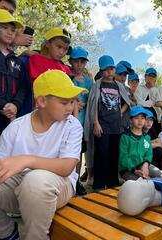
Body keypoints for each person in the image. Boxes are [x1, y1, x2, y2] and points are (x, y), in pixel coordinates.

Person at [0, 70, 86, 240]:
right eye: (64, 102)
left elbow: (67, 167)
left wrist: (27, 160)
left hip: (58, 187)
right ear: (42, 101)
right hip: (20, 189)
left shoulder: (72, 125)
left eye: (73, 101)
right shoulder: (15, 128)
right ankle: (7, 233)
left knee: (35, 181)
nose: (70, 107)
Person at [84, 55, 131, 189]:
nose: (109, 72)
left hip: (116, 126)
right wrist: (95, 123)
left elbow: (127, 102)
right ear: (101, 70)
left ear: (114, 69)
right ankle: (99, 184)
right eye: (106, 69)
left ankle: (112, 183)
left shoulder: (119, 86)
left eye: (111, 69)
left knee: (113, 154)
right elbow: (93, 106)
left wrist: (120, 112)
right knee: (101, 154)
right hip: (102, 125)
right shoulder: (97, 85)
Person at [0, 9, 27, 139]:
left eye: (13, 29)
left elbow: (24, 87)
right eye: (4, 27)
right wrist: (2, 105)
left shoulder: (18, 61)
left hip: (10, 117)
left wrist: (15, 104)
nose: (10, 32)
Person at [68, 46, 93, 194]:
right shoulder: (66, 76)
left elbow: (92, 98)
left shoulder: (88, 81)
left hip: (84, 121)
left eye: (82, 62)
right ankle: (68, 179)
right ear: (71, 61)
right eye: (77, 61)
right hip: (69, 118)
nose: (79, 65)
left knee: (79, 151)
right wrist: (74, 101)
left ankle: (76, 180)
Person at [119, 105, 162, 181]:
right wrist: (134, 170)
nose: (140, 121)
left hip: (142, 165)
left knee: (159, 174)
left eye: (142, 118)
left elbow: (148, 154)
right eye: (136, 118)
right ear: (130, 120)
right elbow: (123, 158)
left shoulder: (146, 137)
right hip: (128, 169)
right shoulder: (125, 137)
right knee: (140, 182)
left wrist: (145, 165)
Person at [135, 67, 161, 138]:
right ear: (145, 77)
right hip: (143, 115)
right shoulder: (140, 88)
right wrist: (151, 103)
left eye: (153, 77)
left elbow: (159, 103)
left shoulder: (157, 89)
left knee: (154, 135)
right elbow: (139, 102)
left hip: (155, 118)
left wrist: (153, 88)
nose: (151, 78)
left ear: (155, 79)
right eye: (149, 76)